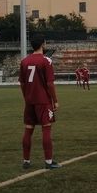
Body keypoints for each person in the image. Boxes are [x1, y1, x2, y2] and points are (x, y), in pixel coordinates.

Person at [19, 34, 60, 170]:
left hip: (29, 101)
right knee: (46, 129)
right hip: (43, 101)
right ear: (43, 44)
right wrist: (55, 100)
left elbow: (23, 83)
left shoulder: (24, 61)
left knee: (28, 129)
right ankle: (48, 162)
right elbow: (50, 84)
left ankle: (26, 161)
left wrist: (27, 97)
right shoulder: (46, 61)